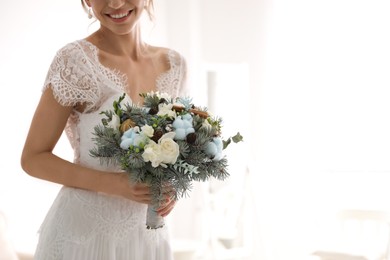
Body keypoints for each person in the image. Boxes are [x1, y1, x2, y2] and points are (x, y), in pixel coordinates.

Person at [20, 0, 187, 259]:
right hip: (83, 236)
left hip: (147, 237)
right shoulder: (75, 61)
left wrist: (170, 188)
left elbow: (176, 149)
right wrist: (115, 184)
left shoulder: (174, 64)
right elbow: (33, 158)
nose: (116, 3)